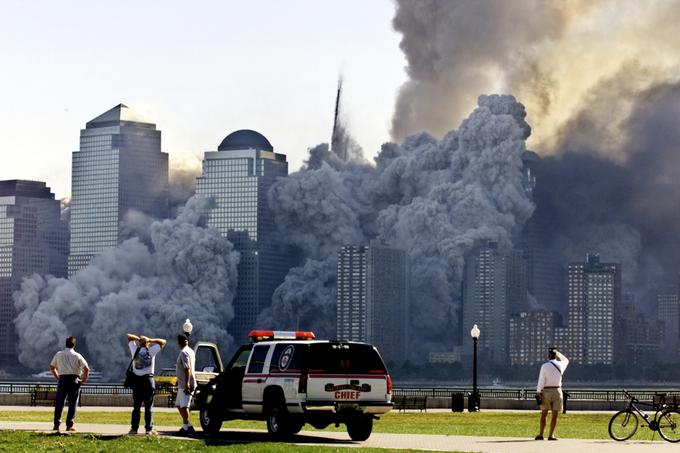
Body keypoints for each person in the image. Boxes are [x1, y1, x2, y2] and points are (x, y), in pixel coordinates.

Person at [126, 333, 166, 435]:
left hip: (137, 382)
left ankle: (134, 429)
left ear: (139, 344)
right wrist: (150, 340)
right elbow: (163, 342)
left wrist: (139, 339)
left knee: (136, 407)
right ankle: (148, 429)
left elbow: (128, 336)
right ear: (147, 344)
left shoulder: (135, 350)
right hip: (148, 380)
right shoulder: (151, 351)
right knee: (148, 407)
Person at [49, 336, 89, 432]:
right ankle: (69, 425)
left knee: (59, 403)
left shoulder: (59, 354)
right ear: (74, 345)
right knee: (72, 403)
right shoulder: (77, 356)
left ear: (65, 344)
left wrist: (57, 377)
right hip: (74, 380)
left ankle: (56, 425)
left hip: (62, 379)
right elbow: (86, 368)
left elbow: (52, 366)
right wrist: (83, 380)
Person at [535, 347, 569, 441]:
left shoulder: (544, 366)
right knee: (555, 415)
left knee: (544, 414)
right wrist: (558, 353)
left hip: (546, 391)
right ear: (556, 356)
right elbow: (566, 360)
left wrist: (538, 392)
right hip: (557, 391)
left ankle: (541, 434)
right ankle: (551, 435)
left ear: (548, 356)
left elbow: (541, 380)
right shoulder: (561, 365)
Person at [175, 334, 197, 435]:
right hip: (181, 383)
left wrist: (187, 384)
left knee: (184, 406)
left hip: (185, 384)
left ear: (179, 343)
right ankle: (188, 425)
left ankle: (186, 428)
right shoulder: (191, 351)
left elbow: (187, 368)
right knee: (178, 405)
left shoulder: (184, 352)